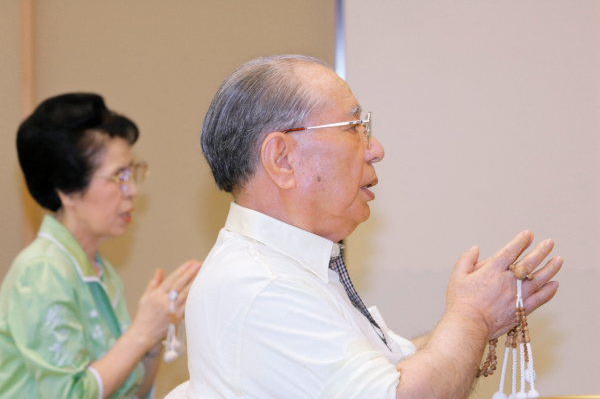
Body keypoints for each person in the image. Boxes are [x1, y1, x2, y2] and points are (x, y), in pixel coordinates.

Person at [183, 55, 562, 399]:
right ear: (282, 159)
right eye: (354, 127)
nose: (375, 148)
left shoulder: (291, 267)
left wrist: (480, 316)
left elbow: (393, 368)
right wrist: (472, 317)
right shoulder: (264, 285)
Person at [0, 93, 202, 399]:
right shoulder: (42, 271)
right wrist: (141, 332)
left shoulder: (98, 268)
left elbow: (131, 392)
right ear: (68, 189)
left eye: (132, 173)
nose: (131, 190)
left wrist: (154, 336)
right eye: (119, 176)